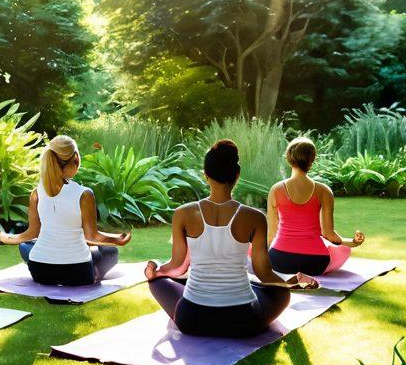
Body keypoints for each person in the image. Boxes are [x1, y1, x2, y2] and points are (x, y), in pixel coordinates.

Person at [145, 140, 320, 337]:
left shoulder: (183, 213)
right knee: (280, 293)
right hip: (243, 321)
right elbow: (264, 273)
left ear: (206, 176)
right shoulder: (254, 217)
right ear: (237, 175)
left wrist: (157, 271)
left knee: (157, 282)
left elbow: (177, 267)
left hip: (192, 319)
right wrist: (290, 283)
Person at [0, 135, 131, 285]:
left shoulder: (36, 193)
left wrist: (7, 238)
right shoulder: (84, 194)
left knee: (26, 246)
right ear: (75, 159)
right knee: (110, 252)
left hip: (40, 271)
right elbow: (92, 236)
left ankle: (84, 267)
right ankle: (96, 273)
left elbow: (31, 233)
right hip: (77, 273)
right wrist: (116, 240)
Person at [267, 136, 364, 276]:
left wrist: (265, 258)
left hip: (280, 261)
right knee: (342, 250)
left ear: (288, 158)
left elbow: (271, 235)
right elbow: (329, 235)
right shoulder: (324, 191)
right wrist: (353, 242)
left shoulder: (275, 190)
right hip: (315, 262)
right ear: (312, 161)